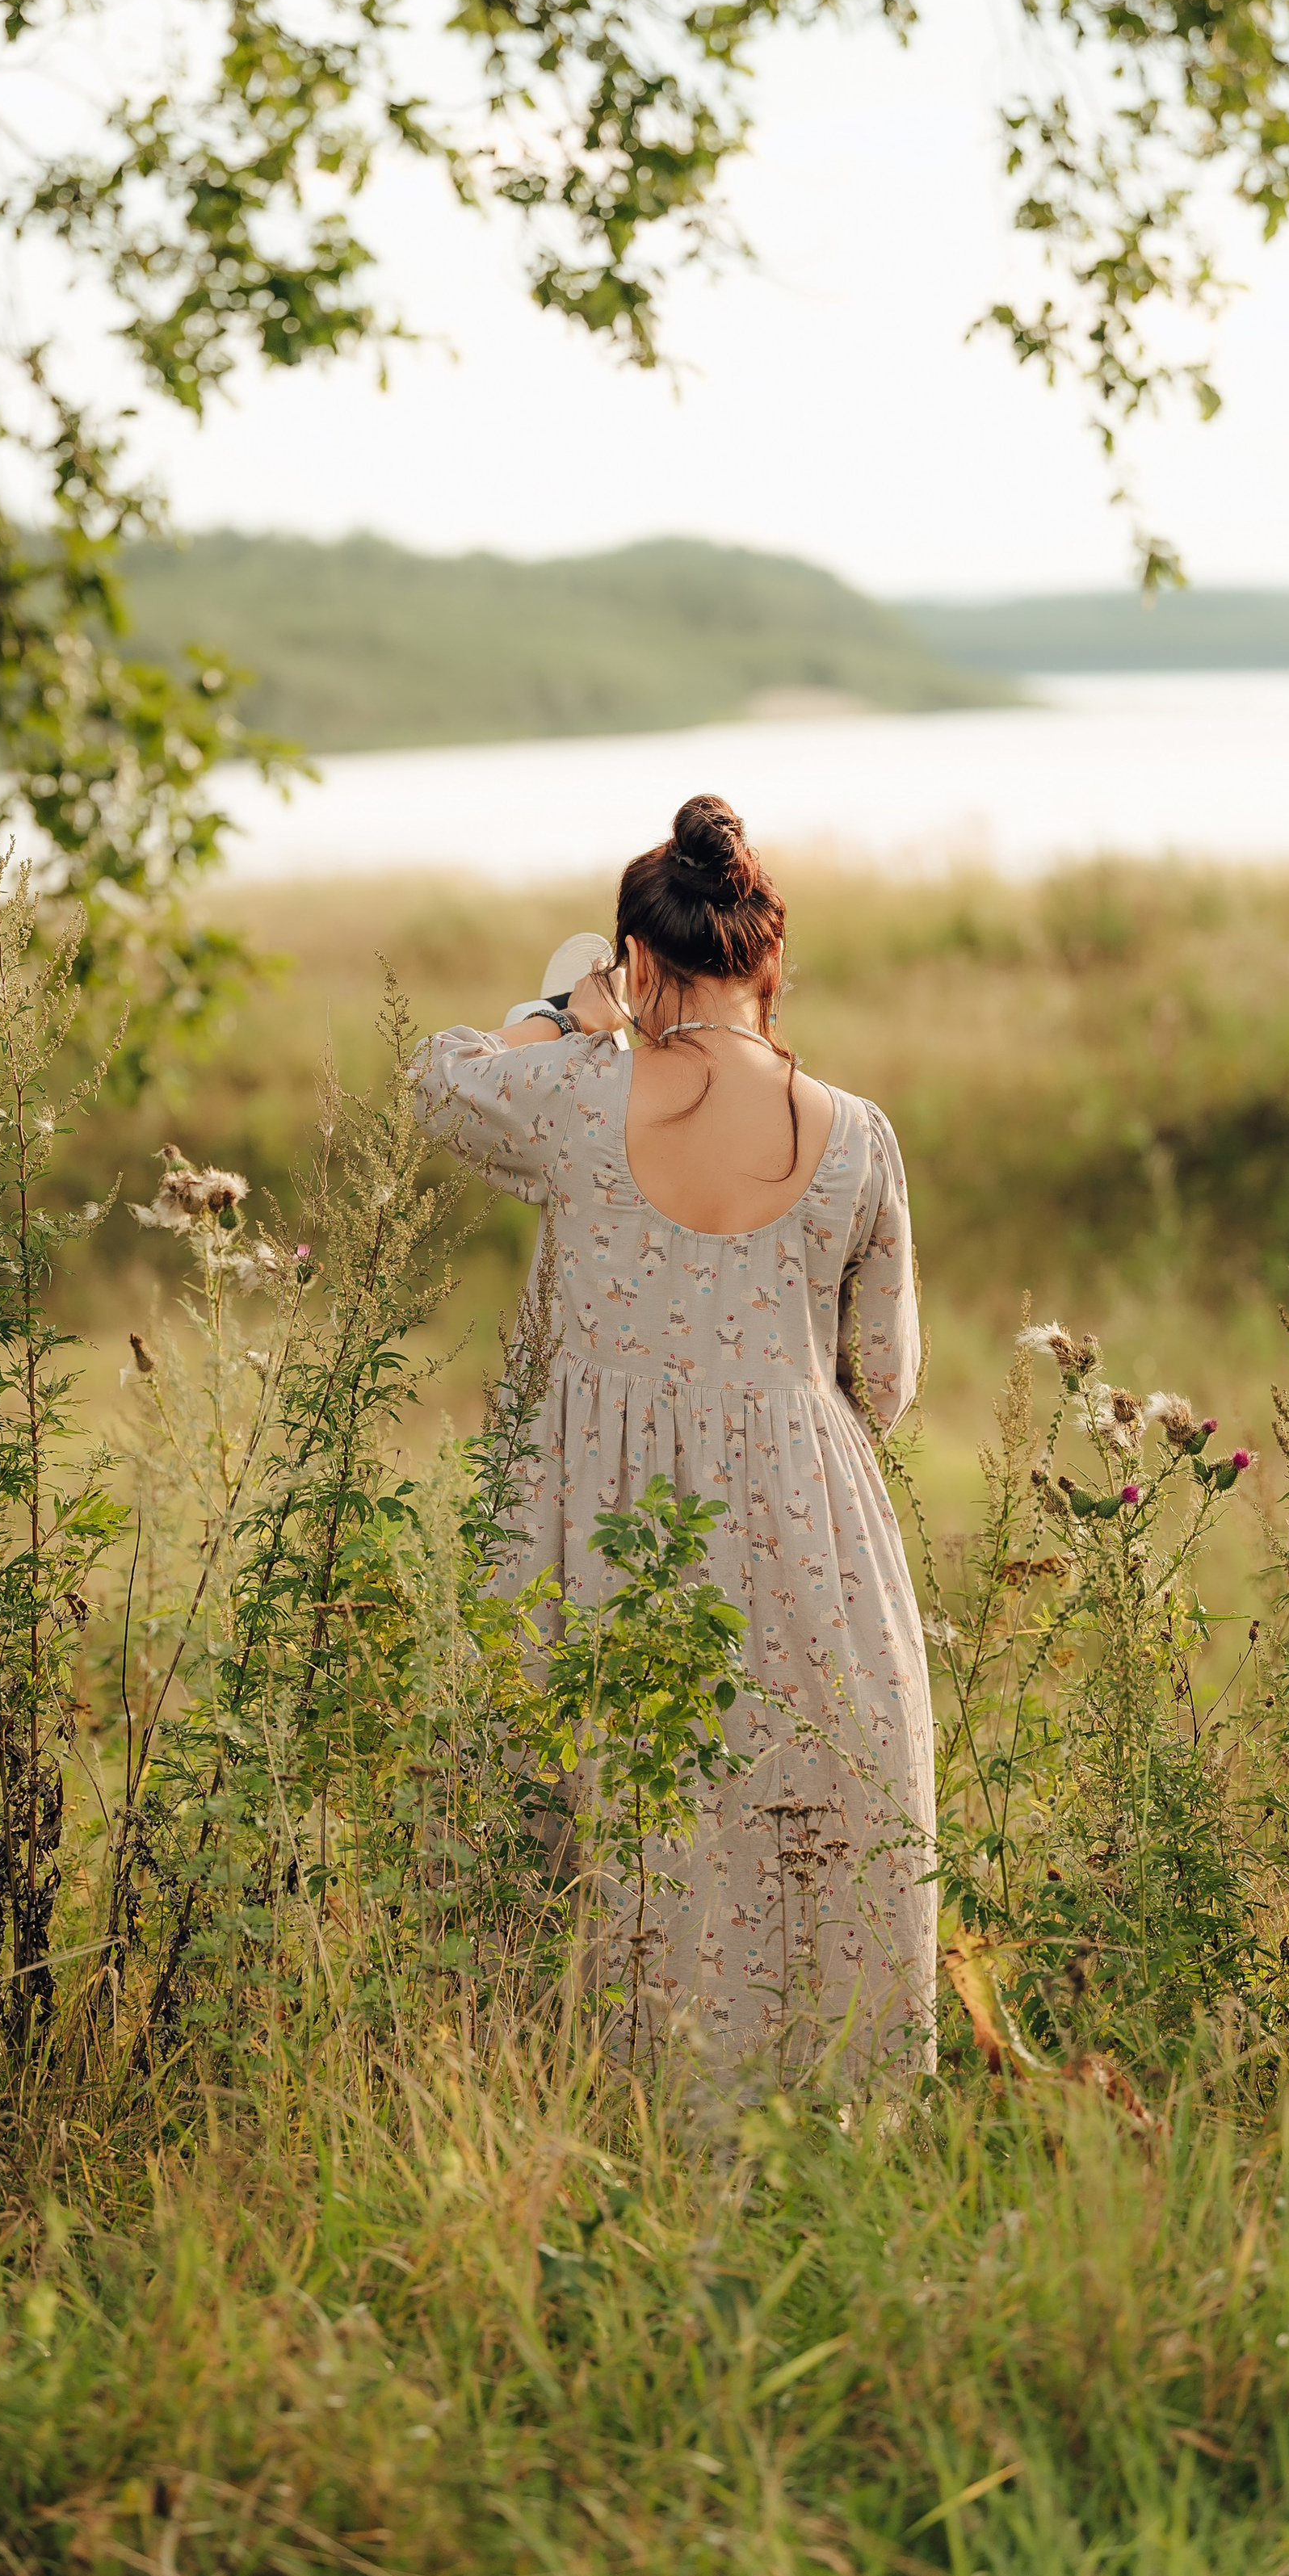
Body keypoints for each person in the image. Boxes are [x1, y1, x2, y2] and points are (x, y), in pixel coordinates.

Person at [415, 793, 937, 2070]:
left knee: (596, 1801)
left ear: (637, 963)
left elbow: (438, 1084)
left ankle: (588, 2101)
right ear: (772, 966)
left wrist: (562, 1015)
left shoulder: (572, 1098)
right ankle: (815, 2104)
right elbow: (887, 1378)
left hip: (587, 1512)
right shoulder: (857, 1136)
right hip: (804, 1520)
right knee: (799, 1798)